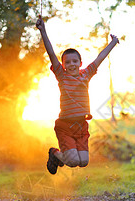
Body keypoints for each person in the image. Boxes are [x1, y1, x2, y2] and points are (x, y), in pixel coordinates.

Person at [36, 16, 119, 175]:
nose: (71, 64)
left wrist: (113, 43)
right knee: (73, 162)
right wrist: (43, 31)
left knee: (83, 162)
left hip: (81, 126)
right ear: (63, 65)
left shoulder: (86, 74)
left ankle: (60, 157)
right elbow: (52, 53)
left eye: (75, 61)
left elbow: (100, 58)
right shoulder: (62, 76)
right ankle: (54, 153)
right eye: (67, 62)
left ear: (80, 63)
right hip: (65, 126)